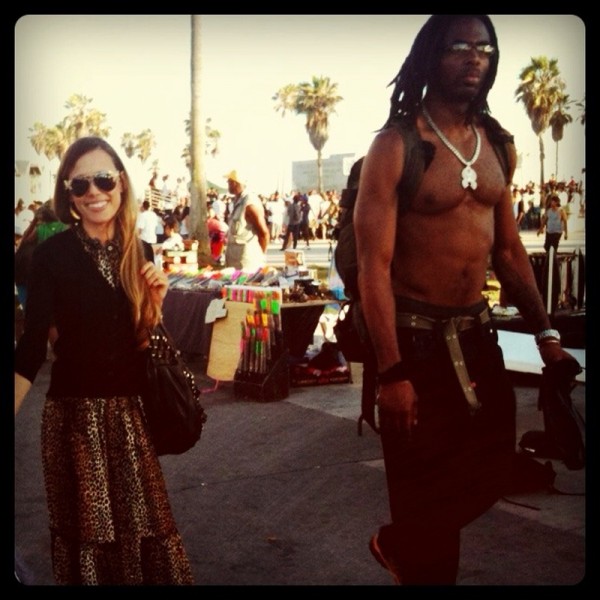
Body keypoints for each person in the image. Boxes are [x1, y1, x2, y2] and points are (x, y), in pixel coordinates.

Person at [353, 15, 578, 586]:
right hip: (415, 345)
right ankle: (415, 552)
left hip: (478, 340)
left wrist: (547, 335)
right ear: (432, 55)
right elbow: (373, 268)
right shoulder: (396, 146)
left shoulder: (497, 144)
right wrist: (392, 372)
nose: (475, 57)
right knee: (426, 508)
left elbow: (510, 252)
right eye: (459, 46)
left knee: (496, 466)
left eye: (485, 48)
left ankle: (401, 542)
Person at [14, 136, 194, 585]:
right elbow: (32, 347)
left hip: (130, 418)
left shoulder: (141, 251)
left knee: (145, 532)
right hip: (74, 420)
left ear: (122, 183)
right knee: (91, 546)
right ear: (69, 194)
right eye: (80, 184)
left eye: (103, 180)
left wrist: (154, 305)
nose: (93, 192)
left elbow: (142, 343)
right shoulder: (51, 254)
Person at [223, 169, 269, 271]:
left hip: (247, 264)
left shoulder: (249, 202)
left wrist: (260, 256)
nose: (228, 185)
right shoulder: (238, 201)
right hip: (235, 262)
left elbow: (264, 233)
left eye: (229, 182)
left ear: (235, 183)